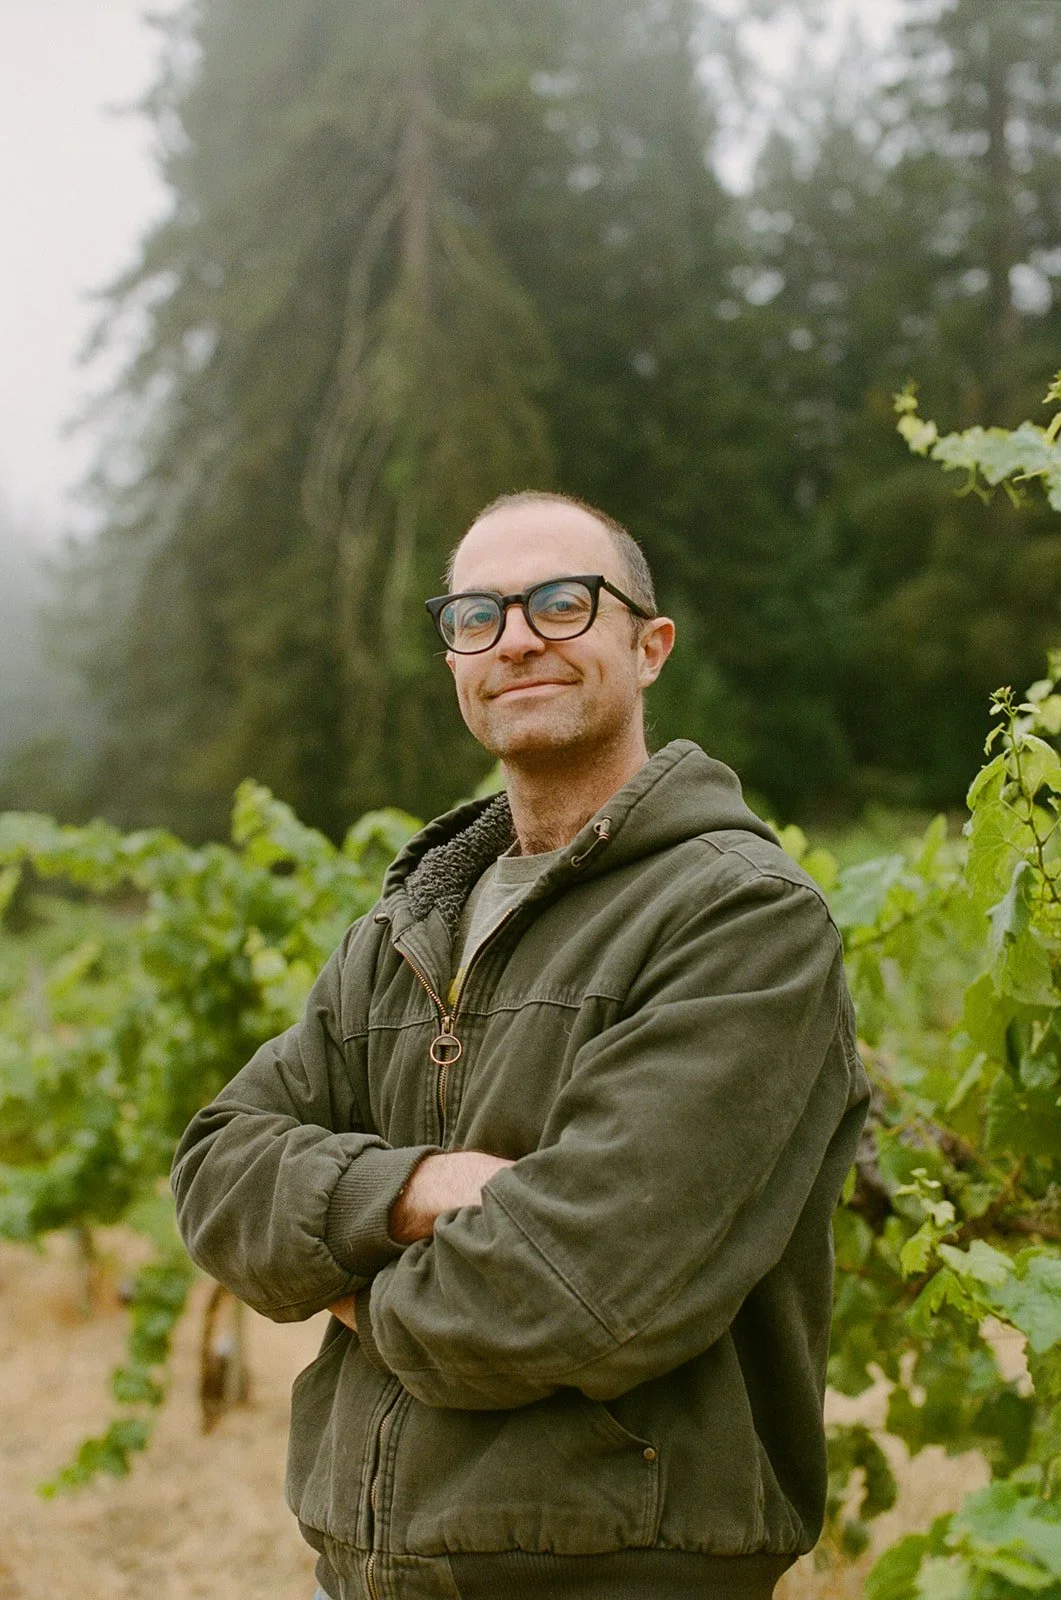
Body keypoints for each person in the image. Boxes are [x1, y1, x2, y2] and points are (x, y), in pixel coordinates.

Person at [171, 491, 869, 1600]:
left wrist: (341, 1284)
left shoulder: (739, 918)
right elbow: (216, 1170)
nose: (516, 639)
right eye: (477, 615)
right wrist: (416, 1192)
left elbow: (574, 1296)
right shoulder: (407, 925)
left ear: (649, 646)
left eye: (560, 602)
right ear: (454, 659)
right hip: (355, 1573)